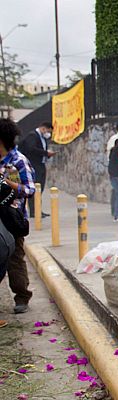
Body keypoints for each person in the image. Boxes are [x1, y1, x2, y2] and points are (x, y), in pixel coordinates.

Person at [0, 118, 36, 314]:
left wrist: (8, 184)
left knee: (15, 259)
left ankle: (21, 296)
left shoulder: (18, 161)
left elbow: (30, 189)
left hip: (12, 219)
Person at [19, 122, 55, 219]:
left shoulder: (41, 137)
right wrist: (46, 153)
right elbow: (31, 149)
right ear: (43, 128)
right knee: (35, 188)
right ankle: (34, 211)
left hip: (41, 165)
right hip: (34, 165)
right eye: (48, 131)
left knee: (40, 188)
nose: (48, 133)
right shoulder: (33, 136)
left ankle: (38, 210)